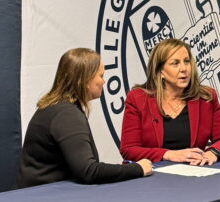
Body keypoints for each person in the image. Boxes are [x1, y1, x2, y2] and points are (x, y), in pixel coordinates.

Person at [16, 48, 153, 187]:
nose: (103, 82)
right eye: (101, 76)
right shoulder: (67, 115)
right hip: (45, 199)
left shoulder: (56, 107)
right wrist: (137, 168)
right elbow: (88, 171)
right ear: (85, 80)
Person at [120, 38, 220, 165]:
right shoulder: (138, 99)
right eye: (175, 63)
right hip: (151, 175)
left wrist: (213, 153)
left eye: (187, 62)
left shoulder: (206, 98)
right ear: (160, 72)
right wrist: (169, 154)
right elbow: (129, 149)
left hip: (193, 174)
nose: (184, 69)